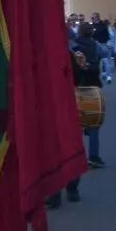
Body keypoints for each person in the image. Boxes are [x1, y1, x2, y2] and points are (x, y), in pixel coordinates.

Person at [47, 48, 89, 208]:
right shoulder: (67, 52)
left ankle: (55, 192)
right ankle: (71, 189)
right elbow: (78, 79)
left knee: (54, 148)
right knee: (69, 145)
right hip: (65, 104)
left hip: (54, 105)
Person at [71, 22, 108, 169]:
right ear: (91, 33)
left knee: (76, 125)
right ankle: (94, 156)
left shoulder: (73, 45)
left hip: (76, 87)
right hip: (93, 87)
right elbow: (105, 53)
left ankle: (76, 156)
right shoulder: (95, 45)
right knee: (93, 124)